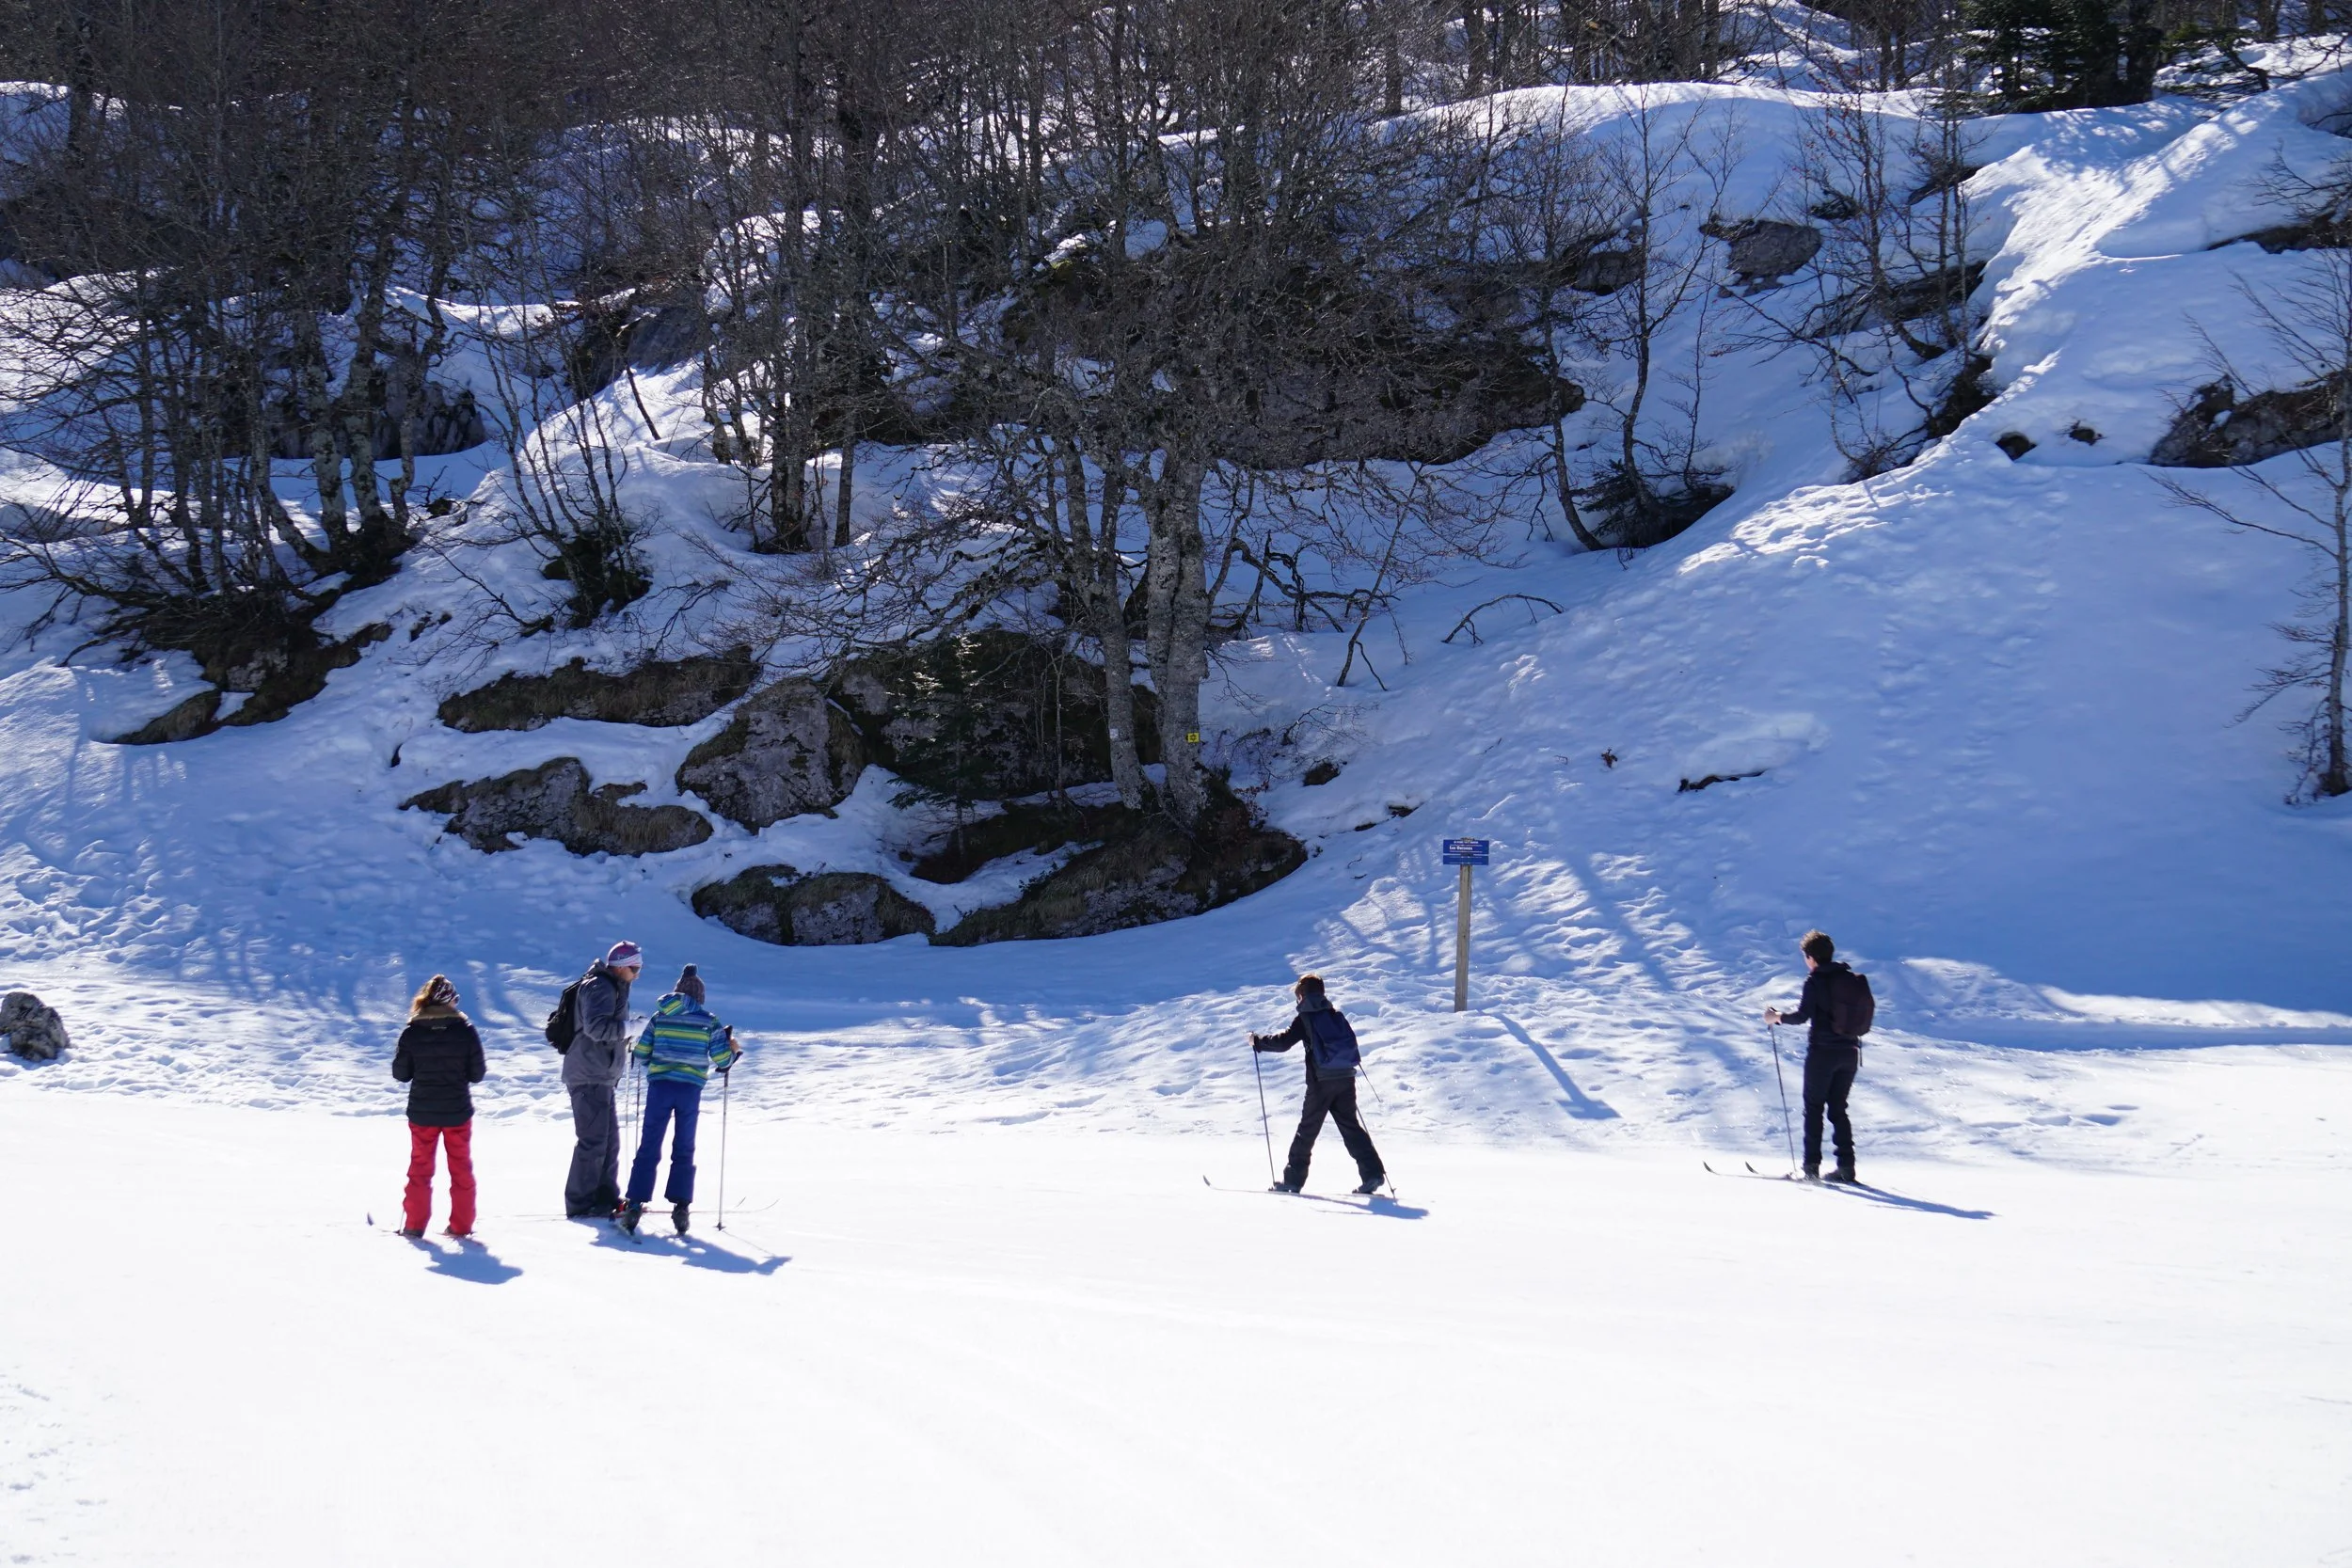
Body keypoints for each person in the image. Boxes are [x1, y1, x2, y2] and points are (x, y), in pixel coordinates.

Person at [620, 964, 741, 1236]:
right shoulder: (708, 1021)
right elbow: (722, 1059)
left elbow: (641, 1053)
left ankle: (635, 1203)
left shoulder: (659, 1017)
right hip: (690, 1090)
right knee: (684, 1146)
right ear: (700, 997)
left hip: (660, 1087)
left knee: (650, 1143)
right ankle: (681, 1206)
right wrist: (734, 1050)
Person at [1249, 974, 1385, 1196]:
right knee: (1351, 1128)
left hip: (1321, 1082)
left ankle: (1292, 1181)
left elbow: (1283, 1043)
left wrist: (1258, 1042)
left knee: (1307, 1131)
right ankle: (1373, 1174)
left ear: (1302, 995)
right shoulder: (1335, 1015)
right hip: (1346, 1078)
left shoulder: (1305, 1018)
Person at [1766, 929, 1867, 1184]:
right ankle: (1846, 1167)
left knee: (1813, 1108)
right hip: (1850, 1052)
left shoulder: (1816, 981)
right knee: (1838, 1109)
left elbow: (1802, 1016)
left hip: (1823, 1054)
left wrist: (1776, 1017)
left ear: (1811, 958)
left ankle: (1810, 1168)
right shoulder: (1849, 978)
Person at [391, 974, 485, 1238]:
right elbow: (477, 1074)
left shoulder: (412, 1031)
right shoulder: (465, 1031)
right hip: (457, 1111)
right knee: (461, 1168)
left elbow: (401, 1074)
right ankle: (461, 1225)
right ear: (452, 1001)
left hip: (422, 1112)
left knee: (420, 1169)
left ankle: (414, 1224)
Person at [564, 941, 641, 1220]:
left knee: (609, 1142)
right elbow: (597, 1028)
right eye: (634, 968)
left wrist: (628, 1032)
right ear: (620, 967)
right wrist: (630, 1028)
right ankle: (581, 1204)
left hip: (601, 1074)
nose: (637, 974)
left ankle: (605, 1199)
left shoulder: (611, 986)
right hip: (588, 1073)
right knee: (593, 1141)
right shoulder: (599, 986)